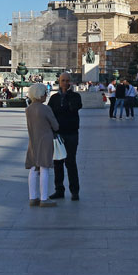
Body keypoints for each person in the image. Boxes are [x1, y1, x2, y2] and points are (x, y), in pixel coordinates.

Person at [48, 73, 82, 201]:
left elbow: (75, 108)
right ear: (59, 81)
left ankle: (74, 191)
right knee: (58, 162)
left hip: (72, 133)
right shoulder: (54, 98)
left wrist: (66, 97)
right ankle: (59, 190)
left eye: (67, 80)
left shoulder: (75, 96)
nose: (65, 83)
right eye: (63, 80)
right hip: (58, 134)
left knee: (71, 162)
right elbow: (50, 112)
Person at [25, 83, 59, 207]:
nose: (46, 95)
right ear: (40, 94)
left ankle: (32, 197)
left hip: (33, 139)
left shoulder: (28, 109)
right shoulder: (45, 109)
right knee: (44, 167)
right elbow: (55, 125)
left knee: (34, 168)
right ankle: (44, 198)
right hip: (45, 140)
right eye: (45, 93)